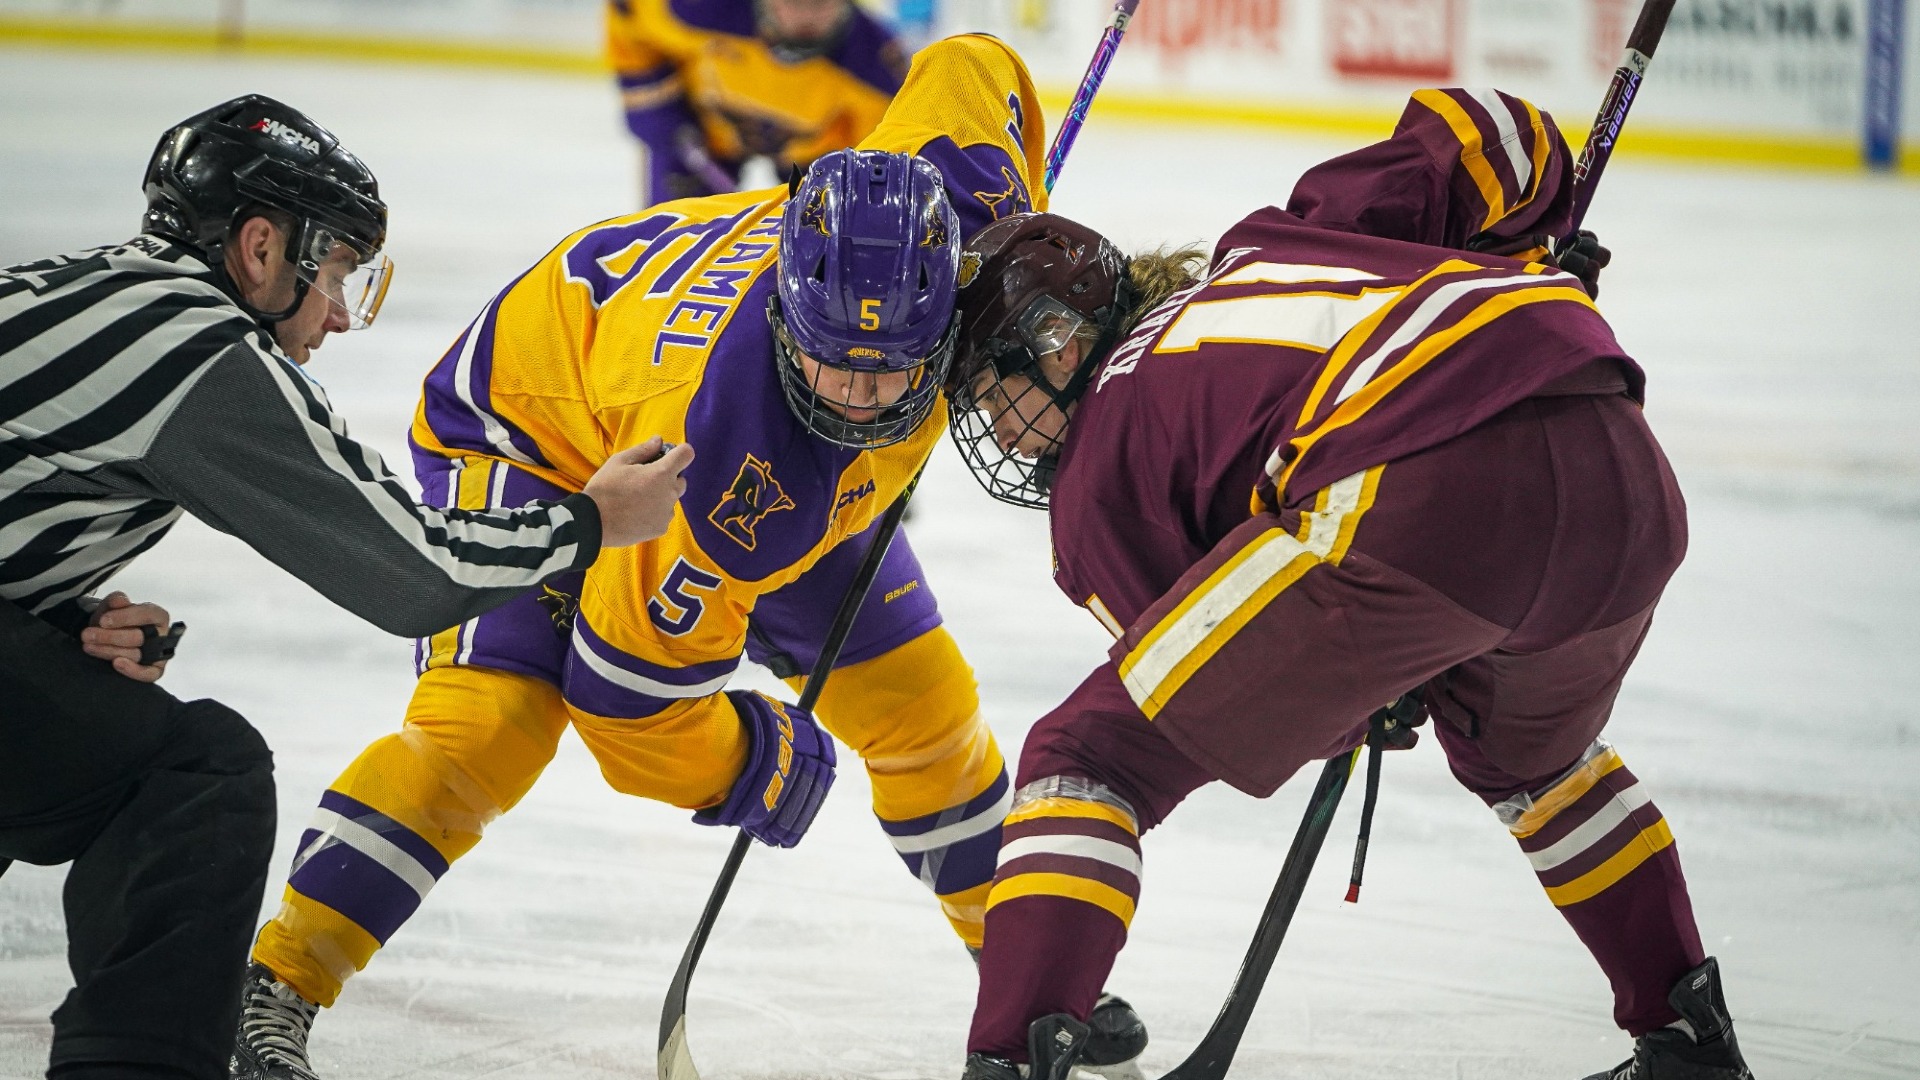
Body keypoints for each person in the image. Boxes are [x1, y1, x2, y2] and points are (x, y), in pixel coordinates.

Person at [230, 35, 1147, 1080]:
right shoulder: (716, 465)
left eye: (892, 369)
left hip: (755, 456)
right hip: (534, 436)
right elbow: (625, 710)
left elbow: (974, 62)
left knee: (923, 711)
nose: (861, 400)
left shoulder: (955, 203)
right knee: (495, 720)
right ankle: (274, 986)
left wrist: (1008, 213)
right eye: (831, 366)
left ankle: (1028, 976)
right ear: (787, 316)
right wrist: (755, 759)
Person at [941, 88, 1755, 1080]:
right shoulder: (1274, 241)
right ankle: (1688, 1042)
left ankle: (1006, 1059)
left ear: (1063, 344)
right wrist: (1523, 248)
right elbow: (1492, 135)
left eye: (994, 390)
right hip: (1619, 462)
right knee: (1537, 759)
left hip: (1418, 497)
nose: (998, 427)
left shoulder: (1094, 478)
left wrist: (1364, 696)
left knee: (1086, 754)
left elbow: (1266, 692)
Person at [0, 96, 690, 1080]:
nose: (335, 313)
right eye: (332, 274)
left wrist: (57, 620)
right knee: (196, 776)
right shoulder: (197, 343)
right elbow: (409, 572)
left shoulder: (91, 291)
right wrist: (591, 523)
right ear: (260, 244)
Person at [606, 0, 908, 206]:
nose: (805, 17)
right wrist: (660, 114)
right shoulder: (701, 9)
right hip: (704, 137)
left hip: (814, 159)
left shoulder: (876, 65)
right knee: (671, 241)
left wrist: (846, 185)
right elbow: (629, 17)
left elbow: (889, 145)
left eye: (819, 2)